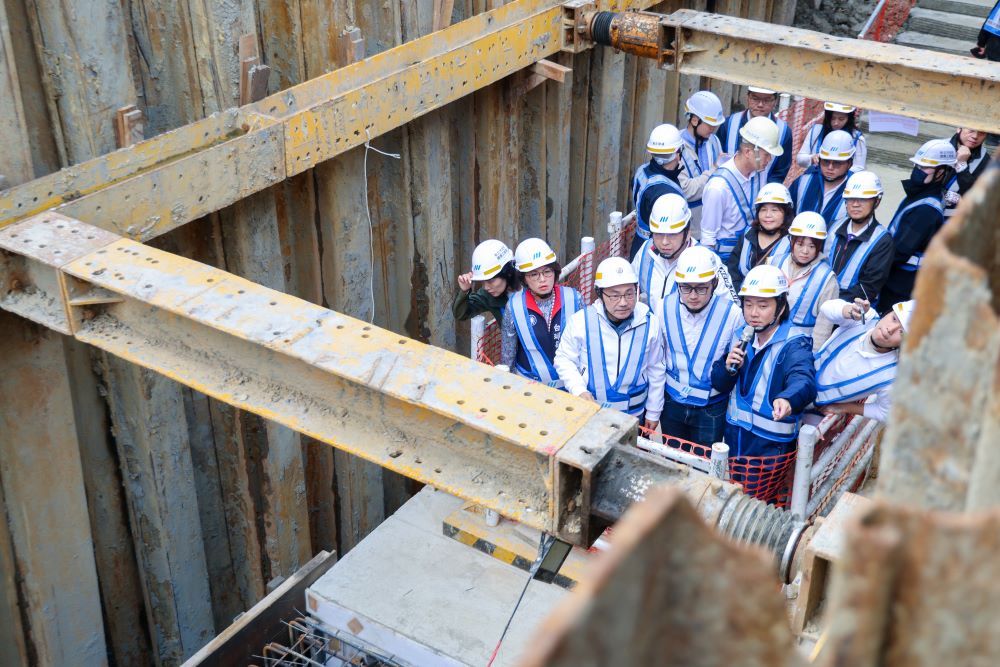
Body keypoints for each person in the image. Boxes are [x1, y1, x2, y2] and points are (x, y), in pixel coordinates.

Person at [711, 264, 817, 460]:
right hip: (736, 438)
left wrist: (788, 399)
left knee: (758, 492)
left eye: (763, 305)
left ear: (781, 306)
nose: (753, 313)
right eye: (748, 304)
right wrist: (727, 369)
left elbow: (804, 380)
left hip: (770, 447)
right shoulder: (741, 335)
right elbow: (718, 383)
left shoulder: (794, 343)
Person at [554, 257, 666, 425]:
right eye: (614, 295)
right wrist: (578, 390)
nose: (623, 302)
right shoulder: (580, 322)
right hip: (591, 414)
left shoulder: (650, 324)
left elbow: (656, 368)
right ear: (599, 294)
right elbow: (564, 359)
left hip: (634, 415)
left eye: (629, 293)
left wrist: (653, 411)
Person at [659, 246, 744, 447]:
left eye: (701, 288)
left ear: (714, 283)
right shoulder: (663, 307)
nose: (693, 295)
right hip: (672, 403)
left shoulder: (733, 315)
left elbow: (733, 366)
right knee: (672, 463)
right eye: (686, 288)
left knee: (705, 466)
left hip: (711, 407)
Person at [879, 139, 956, 307]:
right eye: (918, 166)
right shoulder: (921, 193)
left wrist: (874, 265)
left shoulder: (926, 210)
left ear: (942, 172)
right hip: (898, 277)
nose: (918, 171)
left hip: (900, 283)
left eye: (925, 167)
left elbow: (900, 250)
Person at [813, 299, 913, 423]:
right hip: (797, 380)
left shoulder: (890, 375)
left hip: (816, 412)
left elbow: (886, 413)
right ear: (888, 312)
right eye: (894, 318)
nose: (890, 329)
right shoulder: (865, 317)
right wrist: (847, 310)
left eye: (902, 332)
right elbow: (826, 307)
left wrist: (846, 408)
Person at [701, 116, 785, 263]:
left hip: (750, 254)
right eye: (766, 154)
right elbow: (708, 239)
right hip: (725, 260)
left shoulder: (759, 172)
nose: (769, 159)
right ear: (748, 152)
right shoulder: (718, 188)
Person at [501, 238, 583, 387]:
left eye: (547, 272)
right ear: (524, 278)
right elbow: (508, 355)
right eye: (534, 274)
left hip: (571, 386)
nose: (542, 279)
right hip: (530, 388)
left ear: (555, 271)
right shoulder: (514, 307)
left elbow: (586, 346)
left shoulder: (574, 298)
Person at [772, 212, 839, 350]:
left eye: (812, 246)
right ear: (791, 242)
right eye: (800, 244)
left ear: (819, 246)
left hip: (799, 348)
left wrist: (812, 357)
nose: (805, 251)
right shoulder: (774, 262)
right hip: (767, 339)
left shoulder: (827, 278)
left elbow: (824, 326)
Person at [826, 170, 894, 303]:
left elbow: (868, 287)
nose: (855, 204)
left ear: (877, 201)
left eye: (863, 199)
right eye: (851, 198)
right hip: (817, 304)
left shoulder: (882, 241)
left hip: (851, 312)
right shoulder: (832, 227)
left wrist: (831, 302)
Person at [630, 124, 687, 258]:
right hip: (658, 251)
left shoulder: (642, 171)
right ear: (678, 153)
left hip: (639, 243)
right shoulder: (667, 193)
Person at [716, 87, 793, 184]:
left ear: (775, 101)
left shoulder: (784, 132)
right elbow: (719, 158)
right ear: (747, 97)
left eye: (767, 100)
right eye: (755, 99)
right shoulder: (729, 124)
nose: (760, 104)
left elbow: (780, 172)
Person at [727, 182, 793, 292]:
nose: (768, 215)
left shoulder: (792, 242)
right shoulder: (748, 234)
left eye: (774, 210)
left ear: (786, 213)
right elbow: (733, 270)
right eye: (763, 209)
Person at [678, 91, 725, 235]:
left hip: (713, 226)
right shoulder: (676, 148)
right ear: (694, 120)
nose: (713, 129)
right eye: (710, 125)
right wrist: (714, 170)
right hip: (689, 230)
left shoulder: (713, 141)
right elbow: (686, 191)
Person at [788, 130, 854, 228]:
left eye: (837, 163)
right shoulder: (803, 182)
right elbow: (786, 213)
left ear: (849, 164)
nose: (830, 167)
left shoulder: (854, 191)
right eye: (826, 162)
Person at [452, 239, 519, 323]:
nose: (486, 287)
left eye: (490, 280)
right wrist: (464, 291)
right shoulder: (488, 296)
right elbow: (460, 314)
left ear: (507, 272)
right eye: (483, 281)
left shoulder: (532, 286)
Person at [796, 102, 867, 171]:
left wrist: (840, 172)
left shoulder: (857, 138)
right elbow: (800, 159)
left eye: (841, 119)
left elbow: (859, 168)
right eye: (832, 118)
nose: (836, 123)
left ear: (849, 118)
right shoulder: (816, 131)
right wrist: (812, 158)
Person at [945, 127, 992, 220]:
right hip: (924, 210)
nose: (975, 136)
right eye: (971, 130)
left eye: (982, 133)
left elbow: (979, 197)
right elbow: (918, 180)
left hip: (954, 220)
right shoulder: (938, 146)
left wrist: (962, 167)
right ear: (959, 128)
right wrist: (943, 194)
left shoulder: (986, 161)